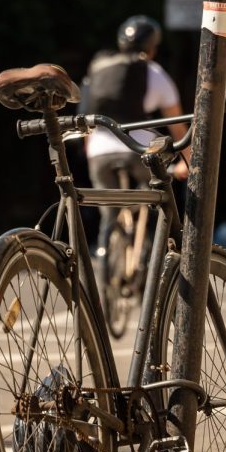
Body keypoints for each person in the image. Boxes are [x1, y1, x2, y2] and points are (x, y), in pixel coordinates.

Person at [80, 15, 189, 279]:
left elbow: (86, 121)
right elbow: (177, 127)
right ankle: (147, 258)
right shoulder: (152, 72)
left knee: (110, 212)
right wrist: (189, 162)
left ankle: (107, 250)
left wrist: (91, 150)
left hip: (98, 150)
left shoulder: (99, 68)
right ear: (153, 47)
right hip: (137, 150)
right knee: (155, 198)